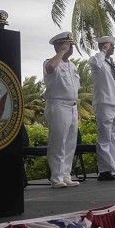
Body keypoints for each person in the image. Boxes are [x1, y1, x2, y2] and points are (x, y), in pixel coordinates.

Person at [43, 31, 81, 188]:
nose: (70, 48)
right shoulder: (50, 62)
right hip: (57, 105)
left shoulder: (72, 66)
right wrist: (61, 52)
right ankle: (56, 177)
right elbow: (51, 68)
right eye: (66, 45)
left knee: (70, 143)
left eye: (71, 45)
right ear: (57, 46)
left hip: (72, 106)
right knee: (58, 142)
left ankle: (66, 175)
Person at [89, 36, 115, 181]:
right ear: (104, 46)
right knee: (104, 137)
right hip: (104, 102)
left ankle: (112, 169)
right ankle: (105, 170)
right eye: (111, 45)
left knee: (112, 138)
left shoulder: (114, 64)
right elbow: (96, 63)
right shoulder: (96, 61)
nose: (114, 47)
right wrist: (102, 51)